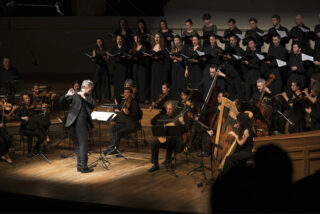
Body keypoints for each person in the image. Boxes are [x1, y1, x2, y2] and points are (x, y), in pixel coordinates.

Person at [64, 80, 96, 173]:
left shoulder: (87, 96)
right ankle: (84, 167)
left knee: (79, 145)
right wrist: (67, 94)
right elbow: (62, 101)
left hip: (76, 124)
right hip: (76, 124)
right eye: (91, 89)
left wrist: (85, 97)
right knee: (83, 145)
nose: (91, 90)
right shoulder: (75, 93)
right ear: (88, 87)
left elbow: (94, 104)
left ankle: (80, 166)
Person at [148, 100, 187, 172]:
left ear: (174, 109)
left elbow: (185, 130)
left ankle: (169, 163)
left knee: (170, 140)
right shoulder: (163, 117)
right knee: (154, 144)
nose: (168, 110)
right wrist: (160, 134)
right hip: (164, 139)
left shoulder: (177, 118)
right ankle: (155, 165)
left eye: (170, 109)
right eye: (167, 109)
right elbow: (158, 128)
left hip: (175, 141)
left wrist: (183, 123)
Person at [104, 87, 140, 155]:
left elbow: (135, 115)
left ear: (131, 94)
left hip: (131, 124)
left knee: (119, 132)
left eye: (127, 93)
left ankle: (113, 149)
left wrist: (128, 112)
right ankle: (113, 147)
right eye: (124, 93)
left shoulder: (134, 102)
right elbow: (119, 109)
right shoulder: (123, 101)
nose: (125, 94)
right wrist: (117, 109)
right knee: (111, 129)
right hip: (123, 123)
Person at [14, 93, 46, 158]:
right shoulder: (20, 108)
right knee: (30, 134)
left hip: (32, 127)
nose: (28, 99)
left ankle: (36, 148)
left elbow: (38, 114)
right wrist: (21, 118)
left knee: (42, 135)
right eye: (26, 98)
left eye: (28, 98)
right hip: (24, 128)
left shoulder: (32, 108)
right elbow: (15, 117)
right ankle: (29, 152)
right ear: (23, 100)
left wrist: (43, 110)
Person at [110, 35, 129, 99]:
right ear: (116, 40)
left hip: (123, 66)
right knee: (117, 82)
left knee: (122, 82)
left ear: (122, 40)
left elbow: (126, 55)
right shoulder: (114, 47)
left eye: (120, 39)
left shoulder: (125, 47)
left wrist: (121, 57)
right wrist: (115, 58)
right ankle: (116, 96)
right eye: (118, 39)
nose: (119, 40)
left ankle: (123, 96)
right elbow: (112, 55)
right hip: (116, 67)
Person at [92, 38, 111, 103]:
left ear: (102, 42)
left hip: (104, 67)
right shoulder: (95, 50)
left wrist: (106, 58)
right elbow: (93, 59)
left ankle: (107, 97)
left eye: (100, 41)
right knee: (97, 82)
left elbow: (108, 60)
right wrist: (93, 58)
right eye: (97, 42)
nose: (99, 43)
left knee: (106, 82)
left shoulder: (106, 50)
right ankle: (98, 97)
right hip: (98, 67)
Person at [150, 33, 167, 101]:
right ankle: (154, 99)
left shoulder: (163, 47)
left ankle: (159, 99)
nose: (156, 39)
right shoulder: (153, 46)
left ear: (160, 38)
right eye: (155, 37)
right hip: (154, 65)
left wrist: (159, 57)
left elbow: (165, 58)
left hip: (160, 66)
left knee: (159, 82)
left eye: (158, 37)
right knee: (154, 81)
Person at [132, 34, 149, 103]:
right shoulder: (134, 47)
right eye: (135, 39)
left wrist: (142, 56)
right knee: (136, 81)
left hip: (142, 65)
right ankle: (138, 98)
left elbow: (145, 55)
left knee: (143, 81)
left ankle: (144, 98)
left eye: (137, 38)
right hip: (136, 65)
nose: (136, 40)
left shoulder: (143, 46)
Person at [170, 36, 185, 100]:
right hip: (174, 66)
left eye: (177, 40)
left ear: (180, 41)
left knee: (180, 82)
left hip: (180, 67)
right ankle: (175, 97)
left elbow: (182, 59)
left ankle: (180, 97)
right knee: (174, 82)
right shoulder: (173, 48)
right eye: (175, 40)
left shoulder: (182, 48)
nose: (176, 42)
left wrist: (175, 58)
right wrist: (171, 57)